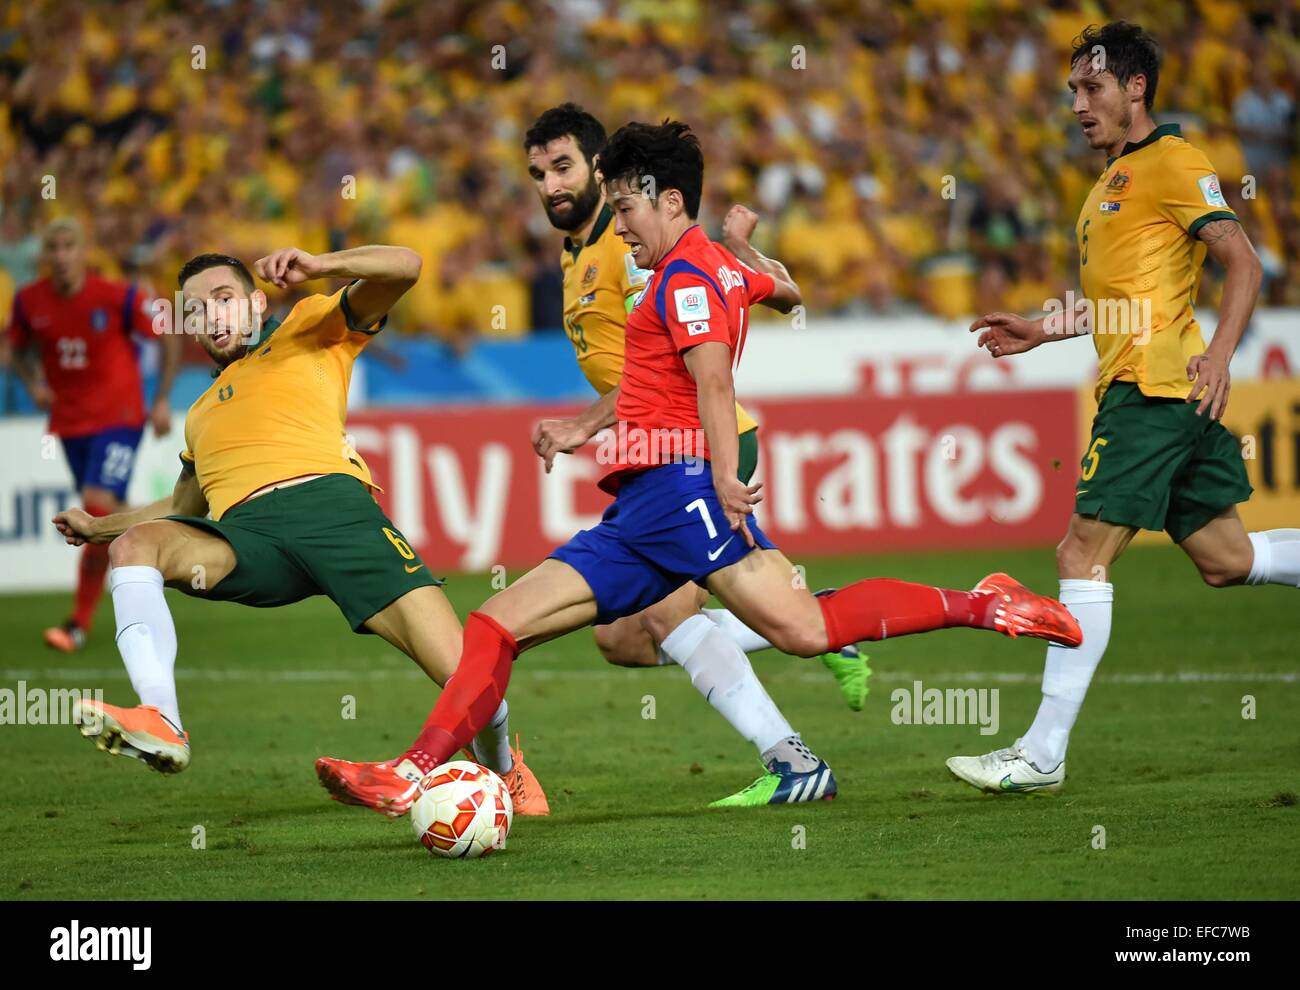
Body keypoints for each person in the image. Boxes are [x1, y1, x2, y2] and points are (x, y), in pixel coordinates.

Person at [316, 121, 1081, 817]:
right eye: (611, 211)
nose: (619, 226)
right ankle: (412, 770)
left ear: (669, 199)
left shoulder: (681, 281)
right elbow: (786, 290)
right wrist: (744, 250)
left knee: (804, 630)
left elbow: (715, 380)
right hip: (636, 510)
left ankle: (984, 604)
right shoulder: (709, 263)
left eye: (626, 210)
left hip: (683, 492)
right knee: (496, 623)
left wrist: (720, 476)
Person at [51, 246, 549, 815]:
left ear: (256, 303)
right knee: (136, 546)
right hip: (250, 540)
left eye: (224, 299)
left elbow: (408, 267)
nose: (213, 316)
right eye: (197, 310)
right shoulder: (200, 413)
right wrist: (102, 528)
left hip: (336, 514)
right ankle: (162, 717)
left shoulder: (310, 327)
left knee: (467, 676)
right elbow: (184, 504)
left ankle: (506, 771)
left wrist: (320, 266)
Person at [950, 21, 1293, 794]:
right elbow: (1124, 305)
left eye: (1092, 87)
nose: (1077, 104)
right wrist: (1043, 329)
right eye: (1073, 89)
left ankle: (1041, 754)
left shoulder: (1173, 163)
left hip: (1154, 392)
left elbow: (1245, 264)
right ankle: (1042, 754)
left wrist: (1219, 354)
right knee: (1226, 560)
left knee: (1080, 556)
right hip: (1157, 388)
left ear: (1136, 88)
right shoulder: (1109, 184)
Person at [522, 103, 868, 807]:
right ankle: (817, 623)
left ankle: (794, 759)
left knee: (666, 616)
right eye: (536, 173)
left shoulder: (630, 248)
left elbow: (668, 361)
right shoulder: (578, 256)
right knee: (621, 639)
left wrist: (583, 427)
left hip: (700, 440)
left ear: (601, 171)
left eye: (563, 167)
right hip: (657, 447)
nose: (550, 185)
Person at [6, 217, 179, 651]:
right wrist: (32, 384)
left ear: (84, 252)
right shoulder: (29, 301)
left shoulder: (117, 296)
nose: (62, 256)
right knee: (112, 515)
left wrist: (160, 400)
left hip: (120, 417)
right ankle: (180, 523)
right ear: (44, 256)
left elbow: (167, 336)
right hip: (69, 423)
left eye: (69, 246)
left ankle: (77, 624)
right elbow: (14, 348)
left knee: (96, 510)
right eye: (54, 248)